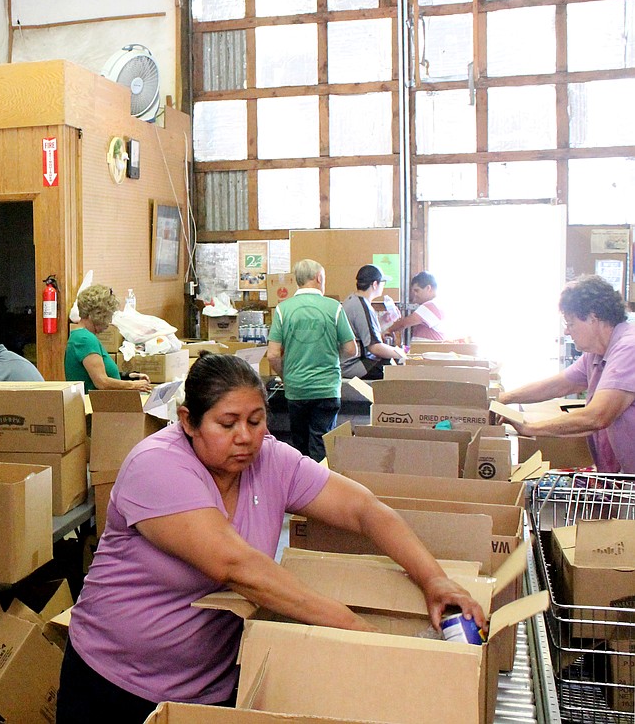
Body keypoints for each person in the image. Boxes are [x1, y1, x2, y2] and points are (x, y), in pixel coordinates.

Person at [57, 353, 485, 723]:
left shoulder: (270, 459)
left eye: (256, 421)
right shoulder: (158, 467)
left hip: (209, 686)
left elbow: (364, 510)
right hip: (113, 685)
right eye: (227, 424)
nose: (245, 437)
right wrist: (360, 633)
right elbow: (239, 568)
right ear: (188, 421)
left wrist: (434, 578)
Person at [498, 275, 635, 473]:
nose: (567, 331)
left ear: (592, 318)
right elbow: (560, 384)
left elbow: (597, 417)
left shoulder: (628, 348)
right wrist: (504, 398)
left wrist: (531, 428)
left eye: (570, 323)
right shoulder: (596, 354)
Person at [265, 259, 357, 461]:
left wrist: (286, 376)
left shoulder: (283, 309)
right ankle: (320, 487)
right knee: (322, 444)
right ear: (319, 278)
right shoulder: (334, 307)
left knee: (299, 445)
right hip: (327, 388)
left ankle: (300, 486)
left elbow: (272, 355)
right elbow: (351, 349)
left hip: (296, 389)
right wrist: (331, 358)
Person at [65, 284, 152, 393]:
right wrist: (133, 385)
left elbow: (98, 374)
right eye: (108, 316)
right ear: (97, 315)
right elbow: (101, 382)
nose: (109, 322)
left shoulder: (82, 336)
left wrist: (128, 376)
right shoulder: (84, 339)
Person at [341, 264, 406, 380]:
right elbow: (374, 347)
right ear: (375, 284)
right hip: (354, 365)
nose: (383, 286)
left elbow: (364, 331)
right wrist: (400, 353)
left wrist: (384, 320)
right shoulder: (361, 306)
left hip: (347, 363)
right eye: (382, 282)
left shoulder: (353, 300)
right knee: (396, 372)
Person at [383, 271, 447, 343]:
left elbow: (404, 324)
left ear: (428, 288)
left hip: (429, 352)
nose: (415, 294)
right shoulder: (436, 304)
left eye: (417, 290)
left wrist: (388, 330)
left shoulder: (432, 305)